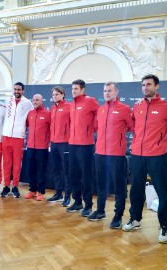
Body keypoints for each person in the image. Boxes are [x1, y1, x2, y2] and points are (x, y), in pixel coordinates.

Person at [122, 74, 167, 244]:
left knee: (162, 192)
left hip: (157, 156)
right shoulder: (137, 106)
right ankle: (135, 219)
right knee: (136, 190)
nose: (145, 87)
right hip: (138, 155)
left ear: (157, 86)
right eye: (143, 85)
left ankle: (165, 226)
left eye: (149, 84)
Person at [91, 82, 134, 228]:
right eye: (105, 91)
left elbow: (132, 127)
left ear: (116, 92)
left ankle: (118, 216)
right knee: (101, 183)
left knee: (119, 186)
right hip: (100, 153)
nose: (107, 93)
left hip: (116, 154)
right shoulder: (101, 110)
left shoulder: (125, 109)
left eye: (110, 90)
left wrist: (119, 136)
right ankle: (100, 210)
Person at [66, 79, 99, 217]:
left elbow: (100, 115)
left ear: (82, 89)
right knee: (74, 175)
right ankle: (77, 201)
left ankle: (88, 205)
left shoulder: (90, 101)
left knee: (86, 177)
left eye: (76, 89)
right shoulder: (72, 104)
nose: (73, 91)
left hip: (86, 145)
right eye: (72, 88)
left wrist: (92, 129)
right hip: (72, 144)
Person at [1, 82, 33, 198]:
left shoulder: (28, 103)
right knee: (6, 163)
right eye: (15, 89)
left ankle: (15, 186)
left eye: (19, 90)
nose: (16, 91)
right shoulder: (7, 101)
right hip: (6, 136)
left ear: (23, 91)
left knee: (17, 164)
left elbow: (30, 120)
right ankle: (6, 186)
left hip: (18, 137)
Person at [47, 86, 72, 207]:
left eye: (57, 94)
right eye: (53, 95)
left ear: (63, 95)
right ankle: (58, 194)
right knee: (56, 170)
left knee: (67, 171)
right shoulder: (52, 108)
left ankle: (67, 197)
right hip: (54, 143)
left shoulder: (69, 107)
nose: (55, 96)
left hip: (65, 143)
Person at [24, 94, 50, 201]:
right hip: (30, 146)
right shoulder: (30, 113)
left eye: (37, 100)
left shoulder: (48, 113)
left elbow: (51, 129)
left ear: (42, 101)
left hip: (42, 147)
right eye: (33, 100)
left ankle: (40, 191)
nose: (35, 102)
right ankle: (32, 190)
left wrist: (48, 142)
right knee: (31, 169)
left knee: (41, 170)